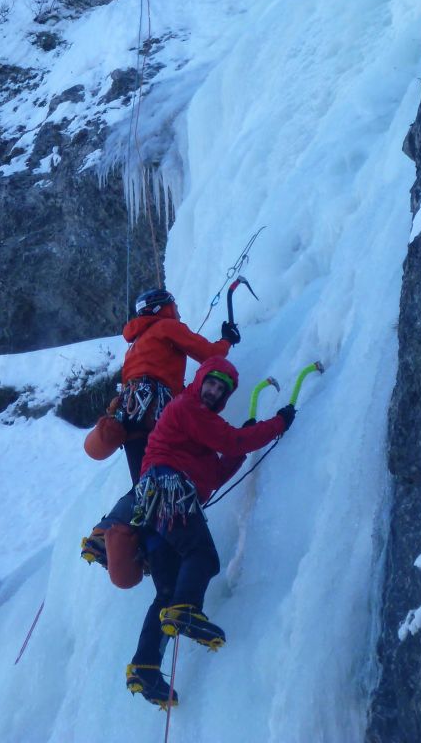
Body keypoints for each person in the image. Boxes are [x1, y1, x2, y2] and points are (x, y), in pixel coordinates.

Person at [125, 356, 296, 707]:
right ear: (200, 381)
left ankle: (145, 667)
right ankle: (187, 610)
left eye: (221, 389)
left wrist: (245, 440)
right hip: (169, 490)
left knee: (167, 593)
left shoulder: (199, 430)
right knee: (201, 555)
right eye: (211, 383)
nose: (214, 391)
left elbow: (216, 474)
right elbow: (232, 441)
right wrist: (277, 424)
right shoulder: (186, 407)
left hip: (156, 510)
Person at [80, 288, 239, 571]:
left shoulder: (136, 343)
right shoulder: (166, 327)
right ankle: (110, 531)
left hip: (131, 417)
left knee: (146, 486)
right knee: (150, 485)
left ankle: (137, 542)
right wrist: (227, 340)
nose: (178, 311)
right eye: (173, 305)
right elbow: (209, 355)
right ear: (161, 308)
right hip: (155, 414)